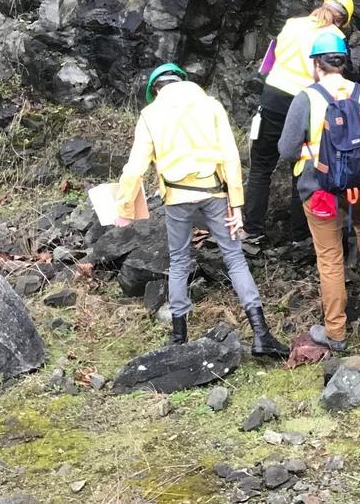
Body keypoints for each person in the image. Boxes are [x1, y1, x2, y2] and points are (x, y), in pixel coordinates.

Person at [114, 62, 290, 356]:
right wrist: (236, 204)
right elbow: (231, 158)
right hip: (215, 192)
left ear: (156, 89)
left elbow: (135, 167)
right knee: (235, 258)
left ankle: (179, 340)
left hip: (177, 197)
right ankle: (262, 335)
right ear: (181, 81)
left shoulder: (150, 114)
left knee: (180, 262)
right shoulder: (211, 105)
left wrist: (124, 208)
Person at [277, 30, 360, 352]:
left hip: (320, 188)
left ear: (316, 64)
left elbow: (286, 150)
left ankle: (336, 332)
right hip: (359, 183)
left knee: (329, 257)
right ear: (344, 61)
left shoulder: (307, 98)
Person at [243, 0, 356, 245]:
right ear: (343, 20)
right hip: (305, 102)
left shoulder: (293, 23)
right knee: (302, 168)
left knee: (261, 167)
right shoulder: (336, 38)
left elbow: (274, 57)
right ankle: (300, 237)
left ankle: (252, 232)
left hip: (272, 96)